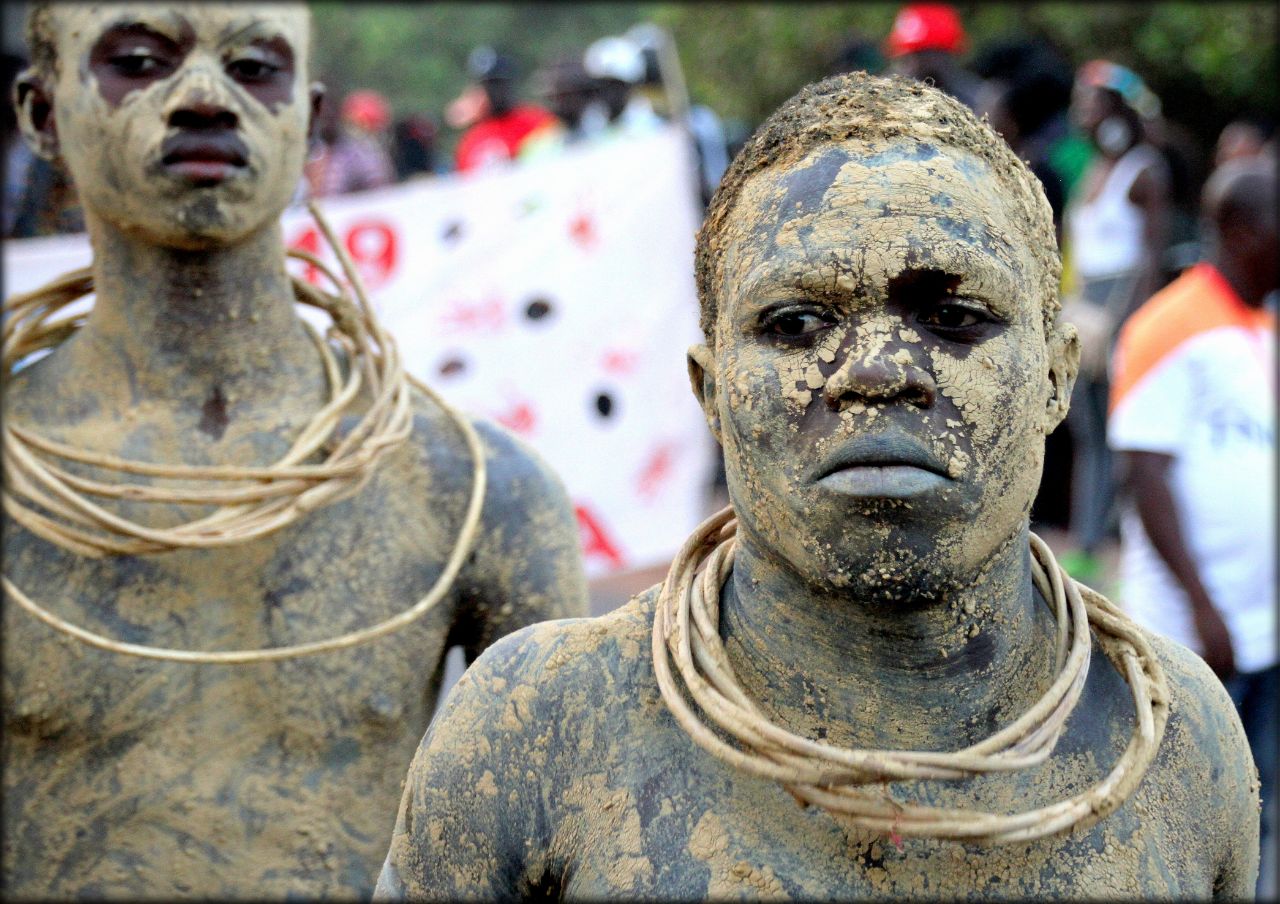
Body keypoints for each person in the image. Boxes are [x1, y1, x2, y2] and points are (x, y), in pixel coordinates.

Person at [374, 73, 1257, 899]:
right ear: (711, 392)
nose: (874, 370)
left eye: (954, 318)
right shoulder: (539, 728)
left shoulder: (1178, 740)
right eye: (795, 323)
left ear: (1057, 380)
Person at [3, 3, 587, 898]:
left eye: (254, 67)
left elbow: (560, 854)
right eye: (137, 60)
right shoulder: (19, 475)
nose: (204, 97)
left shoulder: (472, 490)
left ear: (312, 121)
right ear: (42, 114)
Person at [1109, 156, 1277, 898]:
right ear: (1240, 230)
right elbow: (1144, 475)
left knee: (1248, 809)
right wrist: (1204, 606)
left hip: (1260, 624)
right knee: (1175, 808)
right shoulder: (1167, 324)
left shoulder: (1262, 323)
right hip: (1191, 630)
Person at [1058, 59, 1170, 582]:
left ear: (1115, 111)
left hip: (1118, 313)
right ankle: (1086, 544)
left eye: (1091, 103)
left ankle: (1107, 551)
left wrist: (1129, 327)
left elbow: (1151, 258)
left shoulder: (1143, 169)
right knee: (1087, 434)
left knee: (1116, 436)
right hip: (1085, 311)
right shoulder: (1094, 169)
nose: (1081, 112)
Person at [451, 47, 560, 173]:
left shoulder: (539, 122)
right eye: (487, 85)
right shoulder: (470, 142)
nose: (493, 91)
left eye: (497, 83)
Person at [883, 3, 983, 111]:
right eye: (921, 53)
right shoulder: (882, 92)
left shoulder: (976, 98)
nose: (930, 61)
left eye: (937, 54)